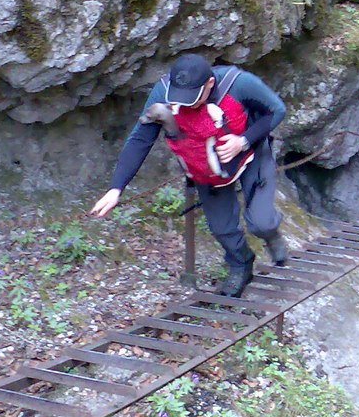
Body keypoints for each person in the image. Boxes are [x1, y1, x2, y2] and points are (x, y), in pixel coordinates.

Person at [90, 54, 288, 297]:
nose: (186, 105)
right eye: (181, 99)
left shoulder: (239, 83)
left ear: (210, 85)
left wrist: (244, 141)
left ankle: (271, 235)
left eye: (193, 99)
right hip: (203, 163)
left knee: (261, 221)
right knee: (221, 228)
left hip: (250, 153)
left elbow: (277, 110)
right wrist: (116, 188)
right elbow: (141, 139)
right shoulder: (162, 93)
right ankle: (241, 264)